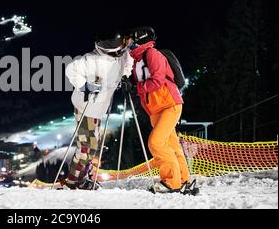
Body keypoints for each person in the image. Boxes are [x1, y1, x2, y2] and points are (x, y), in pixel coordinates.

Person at [124, 26, 195, 194]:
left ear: (140, 38)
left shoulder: (152, 54)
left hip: (169, 104)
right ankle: (183, 179)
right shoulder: (138, 60)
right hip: (155, 108)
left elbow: (157, 80)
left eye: (133, 39)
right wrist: (130, 84)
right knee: (172, 145)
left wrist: (136, 88)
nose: (130, 43)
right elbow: (143, 84)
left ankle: (171, 182)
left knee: (155, 143)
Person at [63, 34, 134, 190]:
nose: (119, 52)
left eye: (119, 49)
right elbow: (70, 69)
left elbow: (128, 62)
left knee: (91, 146)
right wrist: (84, 85)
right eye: (115, 50)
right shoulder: (91, 59)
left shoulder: (122, 55)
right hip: (86, 107)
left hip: (99, 108)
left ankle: (83, 177)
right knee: (87, 147)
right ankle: (74, 182)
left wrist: (125, 77)